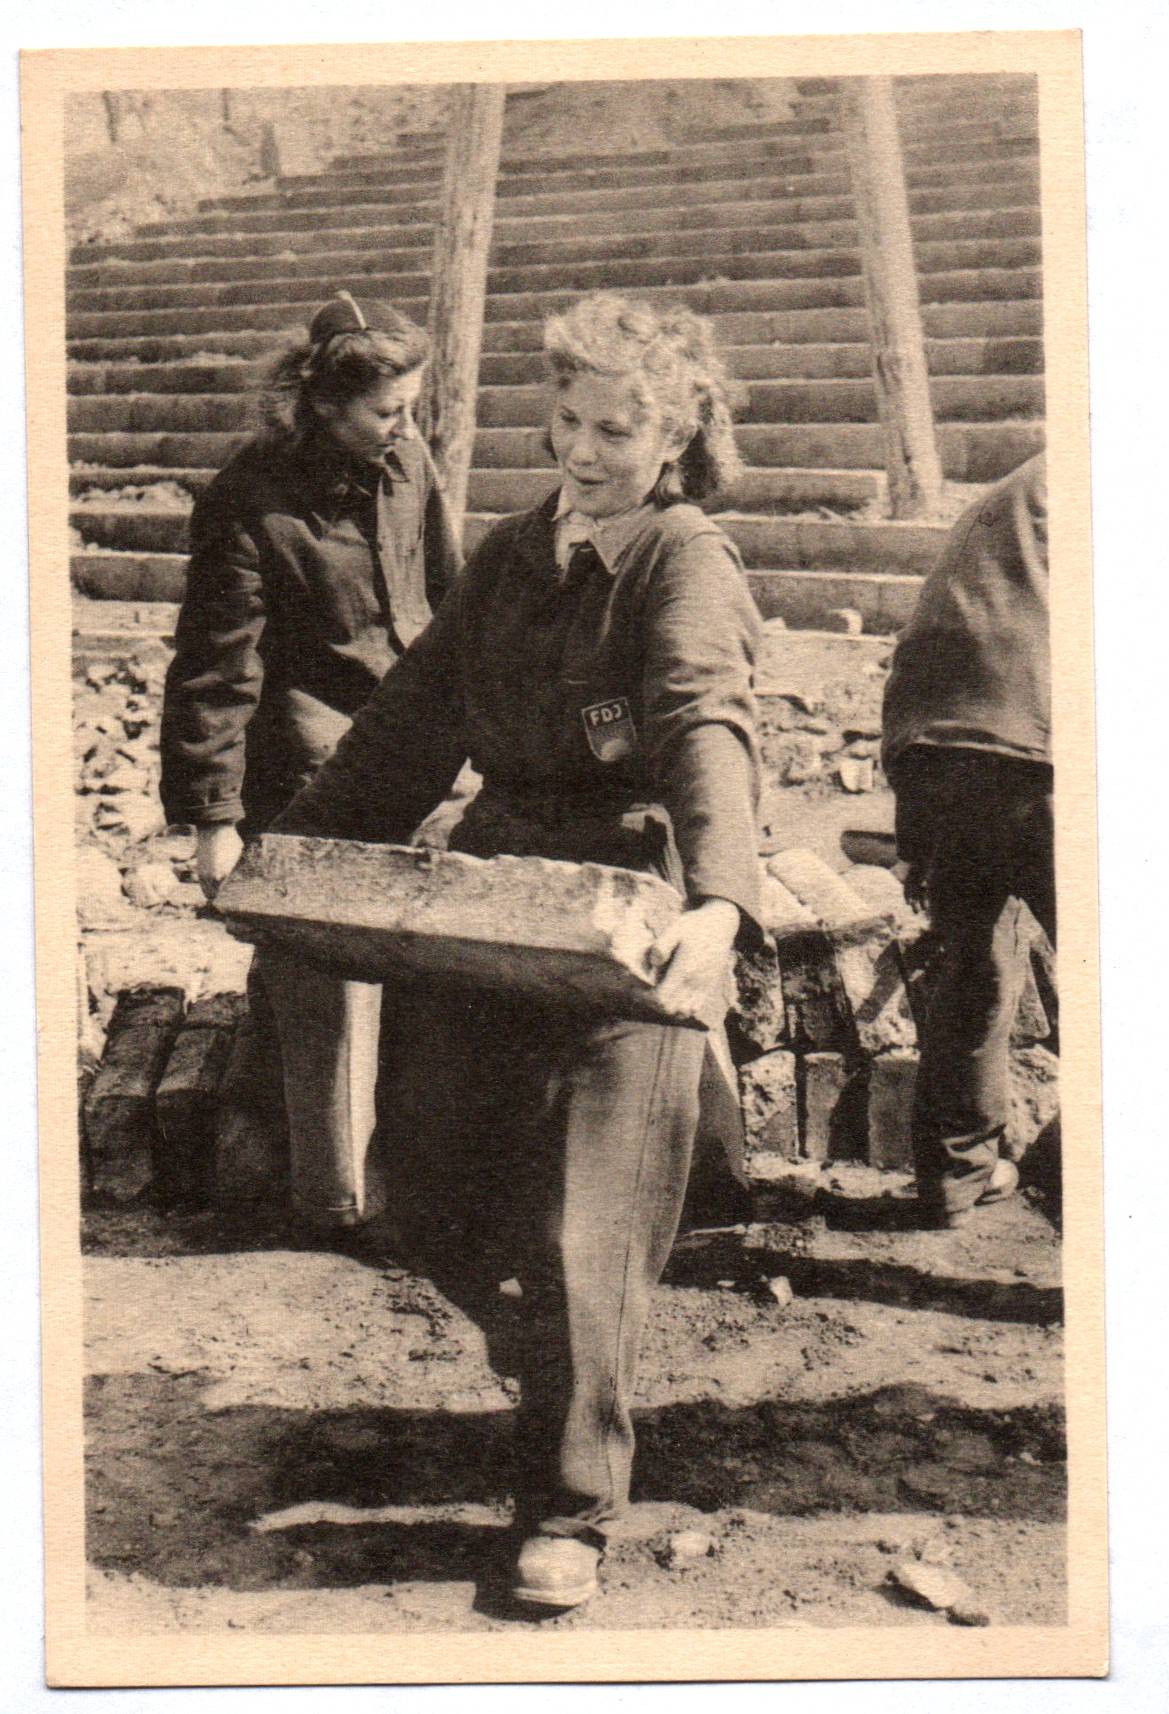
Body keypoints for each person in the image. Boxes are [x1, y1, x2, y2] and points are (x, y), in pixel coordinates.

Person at [267, 291, 764, 1609]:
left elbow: (704, 719)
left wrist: (719, 902)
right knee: (423, 1190)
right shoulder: (510, 553)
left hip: (636, 919)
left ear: (674, 438)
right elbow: (410, 726)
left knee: (585, 1226)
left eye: (618, 427)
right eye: (567, 418)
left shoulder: (680, 557)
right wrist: (288, 864)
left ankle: (571, 1505)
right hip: (497, 900)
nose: (585, 448)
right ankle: (557, 1360)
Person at [159, 292, 462, 1222]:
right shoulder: (249, 500)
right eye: (387, 410)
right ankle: (328, 1203)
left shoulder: (408, 461)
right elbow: (216, 670)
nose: (407, 425)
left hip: (419, 742)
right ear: (322, 404)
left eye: (412, 406)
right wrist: (213, 819)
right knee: (320, 973)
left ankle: (422, 1169)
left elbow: (449, 599)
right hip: (312, 766)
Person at [881, 452, 1053, 1229]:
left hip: (939, 749)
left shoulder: (1013, 495)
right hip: (1036, 749)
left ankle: (957, 1177)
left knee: (976, 959)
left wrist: (912, 822)